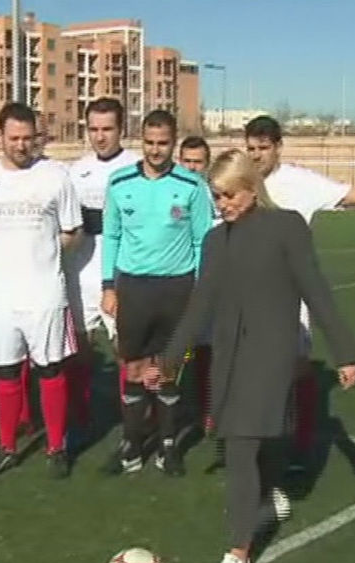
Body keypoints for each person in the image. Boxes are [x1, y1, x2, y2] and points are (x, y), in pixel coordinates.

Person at [145, 149, 355, 563]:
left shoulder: (285, 227)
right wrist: (168, 362)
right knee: (251, 443)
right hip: (228, 358)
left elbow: (314, 288)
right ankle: (268, 502)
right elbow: (199, 306)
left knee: (241, 447)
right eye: (215, 196)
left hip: (271, 355)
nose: (221, 204)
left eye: (227, 195)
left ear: (250, 189)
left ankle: (238, 556)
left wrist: (345, 352)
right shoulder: (214, 241)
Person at [244, 115, 355, 474]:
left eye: (263, 148)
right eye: (251, 148)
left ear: (278, 146)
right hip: (247, 293)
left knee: (296, 369)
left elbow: (353, 196)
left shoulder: (300, 181)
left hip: (289, 294)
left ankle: (299, 441)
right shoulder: (239, 180)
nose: (256, 156)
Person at [0, 101, 82, 477]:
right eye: (13, 138)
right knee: (5, 373)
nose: (21, 145)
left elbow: (72, 231)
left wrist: (43, 249)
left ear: (37, 137)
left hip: (46, 294)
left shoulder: (56, 176)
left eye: (27, 138)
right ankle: (9, 446)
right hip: (1, 297)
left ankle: (55, 447)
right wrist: (1, 253)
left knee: (50, 370)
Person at [100, 109, 215, 477]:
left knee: (169, 369)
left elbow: (201, 242)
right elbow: (112, 236)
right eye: (149, 142)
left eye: (163, 143)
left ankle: (168, 447)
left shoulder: (193, 187)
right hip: (133, 288)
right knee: (133, 368)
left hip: (177, 288)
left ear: (174, 143)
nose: (155, 150)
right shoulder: (120, 183)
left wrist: (200, 289)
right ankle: (132, 445)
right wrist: (108, 286)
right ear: (141, 140)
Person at [66, 98, 141, 436]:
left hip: (124, 275)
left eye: (107, 129)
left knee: (126, 350)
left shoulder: (137, 167)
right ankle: (80, 416)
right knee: (80, 350)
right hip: (79, 272)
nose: (100, 136)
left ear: (121, 129)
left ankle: (134, 422)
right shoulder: (74, 171)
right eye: (93, 129)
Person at [178, 134, 219, 436]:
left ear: (207, 165)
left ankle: (210, 410)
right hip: (176, 283)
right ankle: (181, 406)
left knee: (209, 349)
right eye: (187, 161)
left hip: (212, 285)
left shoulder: (216, 194)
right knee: (183, 350)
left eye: (198, 162)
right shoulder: (174, 194)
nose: (192, 167)